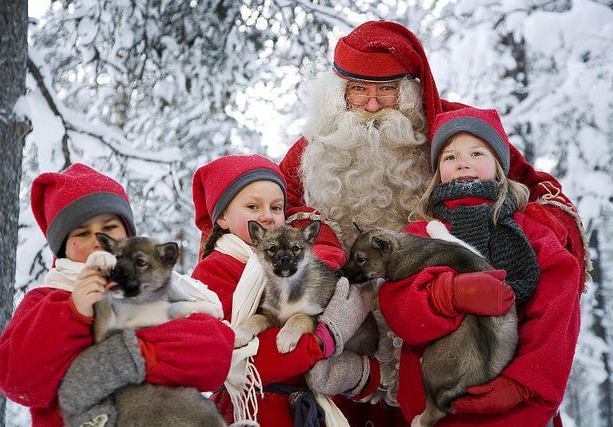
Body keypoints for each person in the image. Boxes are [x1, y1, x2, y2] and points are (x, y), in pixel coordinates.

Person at [279, 20, 588, 426]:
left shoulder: (454, 130)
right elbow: (257, 212)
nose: (373, 105)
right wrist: (328, 248)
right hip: (353, 351)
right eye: (358, 90)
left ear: (407, 90)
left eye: (386, 90)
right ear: (338, 93)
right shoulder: (312, 150)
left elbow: (537, 187)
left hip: (466, 344)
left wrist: (520, 230)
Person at [379, 107, 580, 426]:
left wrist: (522, 384)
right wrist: (445, 294)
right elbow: (398, 304)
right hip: (439, 401)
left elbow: (556, 310)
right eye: (449, 157)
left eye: (477, 152)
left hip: (515, 407)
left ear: (499, 166)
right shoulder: (421, 233)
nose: (462, 162)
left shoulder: (533, 233)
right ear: (437, 172)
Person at [0, 163, 234, 427]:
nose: (98, 239)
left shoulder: (164, 285)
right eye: (82, 233)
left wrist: (134, 355)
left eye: (109, 227)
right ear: (62, 247)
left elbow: (215, 356)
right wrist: (73, 311)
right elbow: (16, 380)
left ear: (128, 235)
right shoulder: (47, 300)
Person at [190, 154, 372, 426]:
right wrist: (321, 341)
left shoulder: (287, 265)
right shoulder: (214, 271)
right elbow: (238, 362)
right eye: (253, 206)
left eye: (276, 208)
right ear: (223, 218)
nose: (267, 216)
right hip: (251, 409)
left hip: (303, 409)